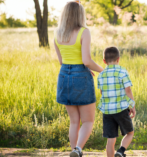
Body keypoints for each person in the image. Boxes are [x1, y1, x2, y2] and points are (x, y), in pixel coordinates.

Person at [54, 1, 103, 157]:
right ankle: (78, 150)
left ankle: (74, 150)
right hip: (80, 75)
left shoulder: (57, 33)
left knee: (74, 121)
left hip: (64, 76)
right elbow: (86, 60)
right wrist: (103, 70)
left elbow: (62, 61)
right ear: (79, 14)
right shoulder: (84, 32)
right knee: (88, 121)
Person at [97, 47, 136, 157]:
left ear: (104, 61)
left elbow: (102, 92)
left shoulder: (101, 75)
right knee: (130, 133)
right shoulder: (122, 71)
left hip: (107, 111)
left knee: (111, 139)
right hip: (121, 109)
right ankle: (121, 151)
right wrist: (132, 105)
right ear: (118, 59)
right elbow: (128, 90)